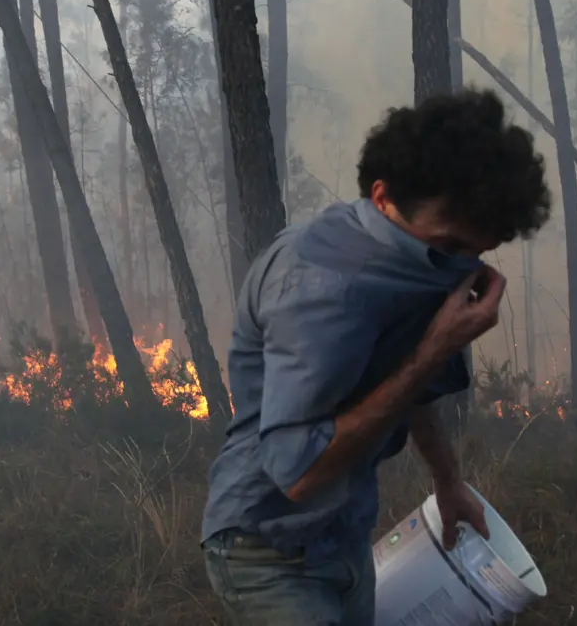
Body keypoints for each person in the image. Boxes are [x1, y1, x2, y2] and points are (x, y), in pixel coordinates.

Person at [201, 88, 553, 625]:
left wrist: (448, 480)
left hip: (342, 538)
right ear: (383, 198)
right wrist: (436, 346)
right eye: (448, 245)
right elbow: (297, 473)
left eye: (476, 253)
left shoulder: (410, 261)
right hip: (266, 548)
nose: (459, 267)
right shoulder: (320, 287)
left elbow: (402, 389)